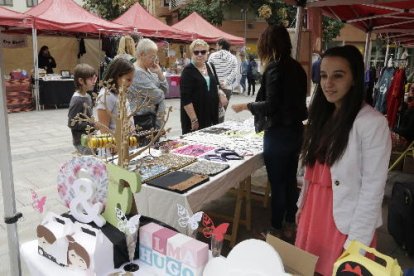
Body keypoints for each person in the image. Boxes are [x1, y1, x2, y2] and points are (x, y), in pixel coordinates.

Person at [295, 45, 391, 275]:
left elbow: (373, 188)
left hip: (344, 220)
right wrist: (301, 206)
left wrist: (358, 241)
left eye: (338, 75)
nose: (328, 83)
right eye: (324, 76)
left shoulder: (372, 123)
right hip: (313, 213)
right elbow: (311, 174)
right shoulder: (321, 115)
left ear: (355, 78)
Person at [231, 25, 307, 241]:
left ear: (268, 44)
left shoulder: (276, 67)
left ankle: (275, 228)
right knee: (290, 180)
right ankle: (290, 223)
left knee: (278, 182)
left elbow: (272, 105)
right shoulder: (297, 68)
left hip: (279, 133)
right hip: (294, 132)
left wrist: (246, 106)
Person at [180, 39, 227, 134]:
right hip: (196, 114)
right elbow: (186, 98)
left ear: (207, 53)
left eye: (203, 52)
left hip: (211, 112)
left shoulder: (210, 66)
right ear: (192, 54)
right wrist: (194, 119)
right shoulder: (187, 71)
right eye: (196, 52)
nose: (200, 54)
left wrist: (221, 94)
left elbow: (216, 84)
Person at [128, 38, 168, 132]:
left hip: (150, 120)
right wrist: (160, 93)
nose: (154, 60)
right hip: (142, 121)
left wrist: (160, 74)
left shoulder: (150, 70)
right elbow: (158, 96)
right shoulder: (137, 72)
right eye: (152, 57)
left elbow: (165, 91)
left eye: (155, 57)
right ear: (142, 55)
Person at [96, 58, 135, 133]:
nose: (130, 84)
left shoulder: (120, 92)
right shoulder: (106, 95)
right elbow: (104, 130)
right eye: (128, 79)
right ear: (117, 76)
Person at [67, 64, 97, 155]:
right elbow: (72, 123)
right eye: (90, 79)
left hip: (90, 137)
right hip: (82, 141)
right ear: (81, 81)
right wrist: (92, 124)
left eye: (94, 79)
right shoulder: (77, 100)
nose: (94, 82)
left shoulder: (87, 96)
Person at [208, 38, 238, 122]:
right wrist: (226, 82)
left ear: (221, 46)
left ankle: (211, 129)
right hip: (227, 88)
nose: (216, 46)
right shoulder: (233, 58)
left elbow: (210, 70)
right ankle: (219, 129)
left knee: (212, 111)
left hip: (214, 88)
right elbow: (234, 72)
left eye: (217, 45)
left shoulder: (212, 56)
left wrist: (217, 82)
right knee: (222, 113)